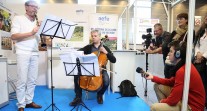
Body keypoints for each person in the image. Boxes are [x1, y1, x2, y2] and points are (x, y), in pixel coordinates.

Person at [143, 40, 205, 111]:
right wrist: (153, 77)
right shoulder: (184, 66)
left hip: (192, 108)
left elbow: (173, 100)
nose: (168, 54)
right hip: (187, 101)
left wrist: (162, 102)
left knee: (154, 107)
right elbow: (171, 82)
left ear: (178, 54)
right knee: (157, 86)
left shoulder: (182, 71)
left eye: (171, 51)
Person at [69, 30, 116, 106]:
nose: (93, 38)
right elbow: (78, 52)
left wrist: (106, 52)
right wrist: (80, 54)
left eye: (95, 36)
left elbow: (114, 60)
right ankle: (78, 97)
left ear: (99, 37)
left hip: (100, 69)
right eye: (92, 36)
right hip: (89, 68)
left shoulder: (105, 48)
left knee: (106, 81)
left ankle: (99, 95)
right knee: (76, 75)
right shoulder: (88, 47)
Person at [10, 0, 42, 111]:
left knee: (32, 80)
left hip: (34, 53)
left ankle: (29, 101)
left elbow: (37, 38)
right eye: (33, 6)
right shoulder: (18, 19)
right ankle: (21, 104)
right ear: (26, 7)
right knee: (22, 80)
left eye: (36, 7)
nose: (35, 9)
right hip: (22, 52)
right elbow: (13, 36)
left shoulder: (36, 22)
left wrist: (41, 30)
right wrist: (31, 32)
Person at [164, 12, 191, 78]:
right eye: (177, 19)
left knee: (176, 76)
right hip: (171, 57)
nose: (179, 20)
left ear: (186, 20)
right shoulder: (174, 31)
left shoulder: (190, 31)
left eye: (181, 19)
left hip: (180, 58)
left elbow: (188, 45)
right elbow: (167, 44)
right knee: (167, 75)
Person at [193, 14, 207, 108]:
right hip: (199, 61)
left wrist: (203, 56)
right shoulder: (202, 31)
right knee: (200, 83)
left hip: (204, 60)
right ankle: (200, 103)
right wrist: (198, 53)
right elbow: (196, 44)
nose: (206, 19)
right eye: (206, 17)